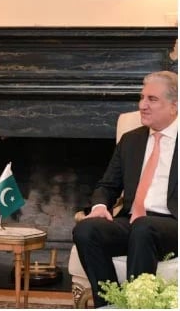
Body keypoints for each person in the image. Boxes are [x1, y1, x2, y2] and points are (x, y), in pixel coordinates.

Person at [72, 70, 178, 307]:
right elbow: (107, 185)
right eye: (141, 98)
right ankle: (111, 303)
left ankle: (139, 304)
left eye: (152, 99)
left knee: (144, 227)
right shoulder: (131, 140)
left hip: (173, 224)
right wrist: (100, 206)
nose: (142, 105)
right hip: (134, 220)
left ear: (174, 105)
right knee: (86, 230)